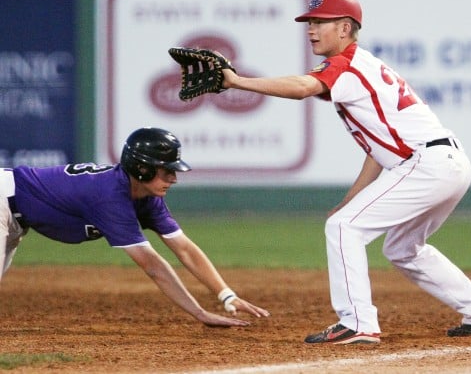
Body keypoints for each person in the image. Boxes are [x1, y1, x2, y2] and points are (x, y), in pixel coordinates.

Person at [218, 0, 471, 344]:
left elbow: (300, 88)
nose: (311, 30)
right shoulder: (359, 67)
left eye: (319, 23)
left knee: (343, 228)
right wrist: (353, 197)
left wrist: (235, 81)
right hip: (446, 162)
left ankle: (357, 322)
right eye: (309, 23)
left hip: (427, 163)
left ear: (345, 28)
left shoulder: (346, 64)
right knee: (401, 248)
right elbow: (376, 150)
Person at [0, 127, 270, 328]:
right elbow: (152, 265)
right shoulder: (110, 196)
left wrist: (226, 296)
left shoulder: (147, 197)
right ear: (142, 170)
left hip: (15, 218)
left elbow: (184, 249)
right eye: (166, 171)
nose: (174, 179)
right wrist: (199, 313)